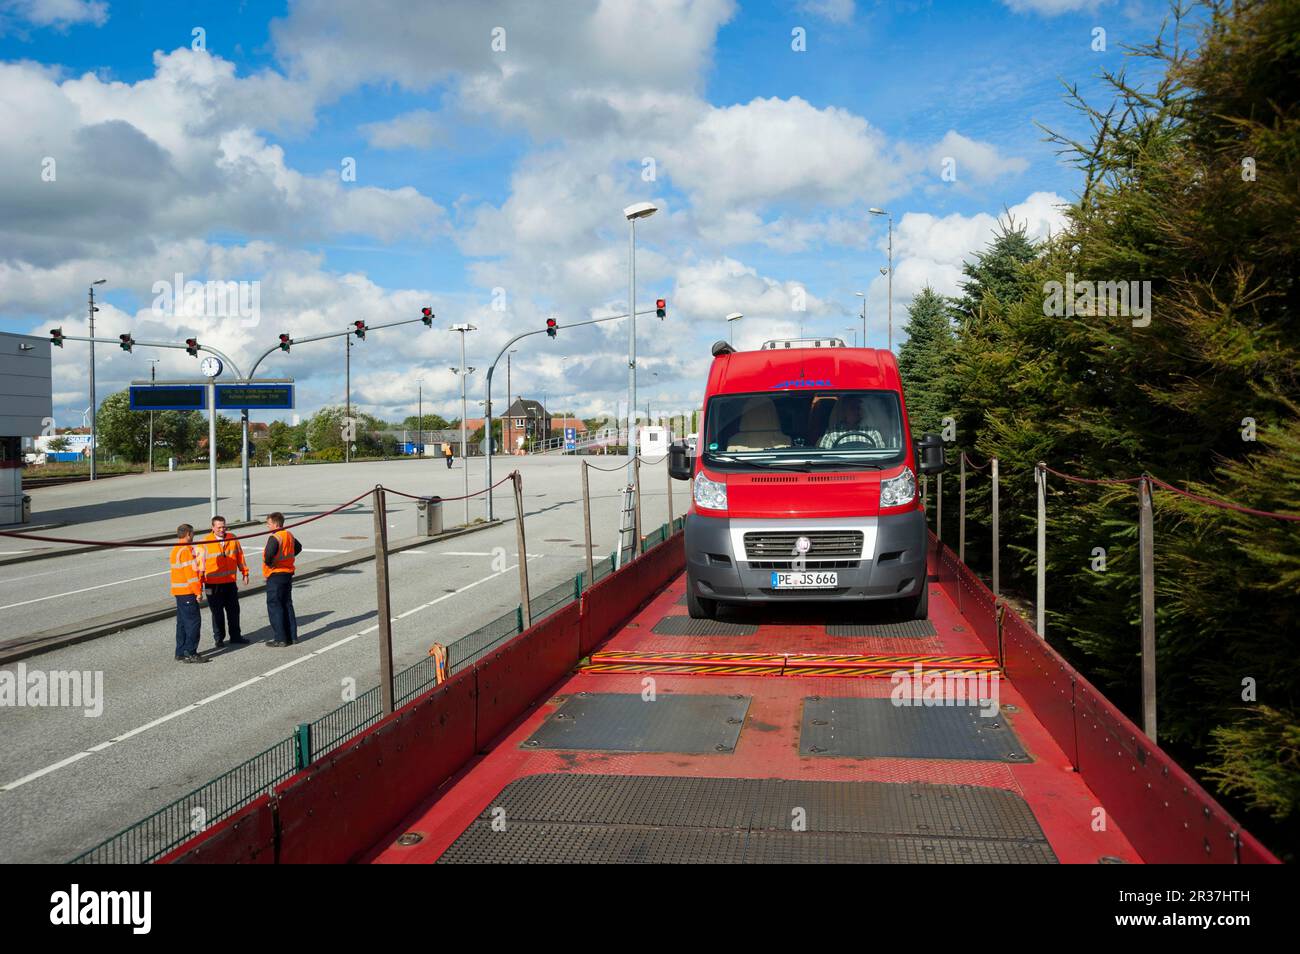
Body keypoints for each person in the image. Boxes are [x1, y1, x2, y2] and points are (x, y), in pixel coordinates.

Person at [202, 515, 249, 648]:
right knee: (216, 613)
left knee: (233, 610)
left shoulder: (232, 538)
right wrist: (199, 583)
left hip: (229, 582)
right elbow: (200, 565)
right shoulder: (205, 542)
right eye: (219, 527)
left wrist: (245, 573)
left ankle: (236, 636)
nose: (222, 529)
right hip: (212, 584)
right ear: (212, 528)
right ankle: (219, 638)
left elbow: (240, 556)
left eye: (224, 527)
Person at [262, 511, 302, 647]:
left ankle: (280, 639)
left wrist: (270, 563)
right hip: (287, 573)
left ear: (275, 524)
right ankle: (292, 636)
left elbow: (269, 554)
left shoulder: (275, 537)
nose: (268, 526)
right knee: (287, 604)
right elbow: (298, 547)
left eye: (269, 524)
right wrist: (288, 558)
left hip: (275, 574)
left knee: (275, 606)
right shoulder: (288, 535)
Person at [169, 524, 208, 663]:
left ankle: (180, 651)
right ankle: (190, 652)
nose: (193, 536)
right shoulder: (185, 551)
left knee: (182, 623)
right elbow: (190, 575)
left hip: (179, 592)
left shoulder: (176, 549)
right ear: (188, 534)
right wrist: (198, 592)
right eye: (192, 534)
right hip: (187, 592)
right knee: (193, 623)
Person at [818, 396, 884, 449]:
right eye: (852, 408)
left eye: (858, 408)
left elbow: (882, 455)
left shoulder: (872, 432)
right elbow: (824, 455)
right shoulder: (832, 432)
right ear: (844, 412)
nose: (856, 412)